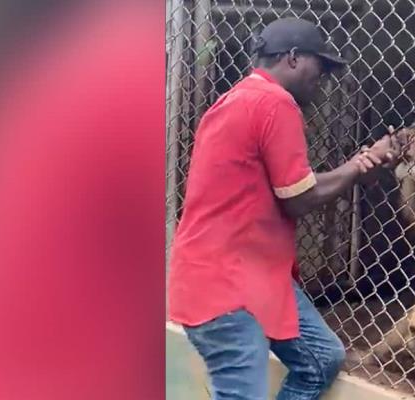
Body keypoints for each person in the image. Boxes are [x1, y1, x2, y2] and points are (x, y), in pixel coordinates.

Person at [167, 17, 402, 400]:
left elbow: (294, 186)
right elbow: (299, 198)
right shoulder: (275, 103)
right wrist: (360, 165)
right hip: (228, 287)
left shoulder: (239, 98)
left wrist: (357, 167)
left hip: (243, 273)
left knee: (321, 358)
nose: (323, 78)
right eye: (320, 66)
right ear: (293, 58)